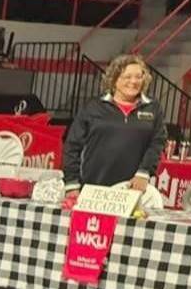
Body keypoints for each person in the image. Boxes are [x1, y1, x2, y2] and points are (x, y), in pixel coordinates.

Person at [63, 53, 166, 190]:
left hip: (133, 189)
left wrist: (144, 172)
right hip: (92, 187)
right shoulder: (93, 107)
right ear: (114, 79)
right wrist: (71, 184)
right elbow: (72, 146)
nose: (133, 81)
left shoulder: (153, 108)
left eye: (138, 77)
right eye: (127, 77)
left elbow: (157, 143)